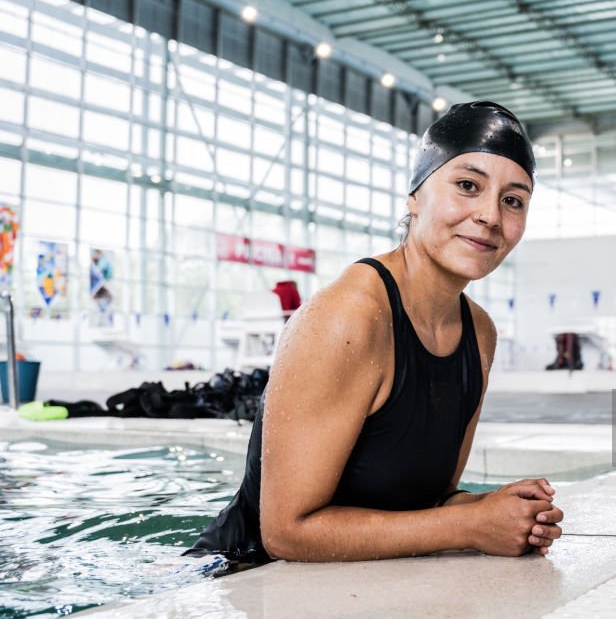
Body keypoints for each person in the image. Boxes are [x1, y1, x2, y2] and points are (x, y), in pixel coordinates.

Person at [185, 102, 563, 565]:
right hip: (237, 577)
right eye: (467, 186)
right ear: (415, 197)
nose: (489, 215)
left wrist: (497, 511)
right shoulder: (348, 316)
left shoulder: (478, 331)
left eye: (513, 200)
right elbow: (286, 532)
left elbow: (429, 498)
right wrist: (468, 524)